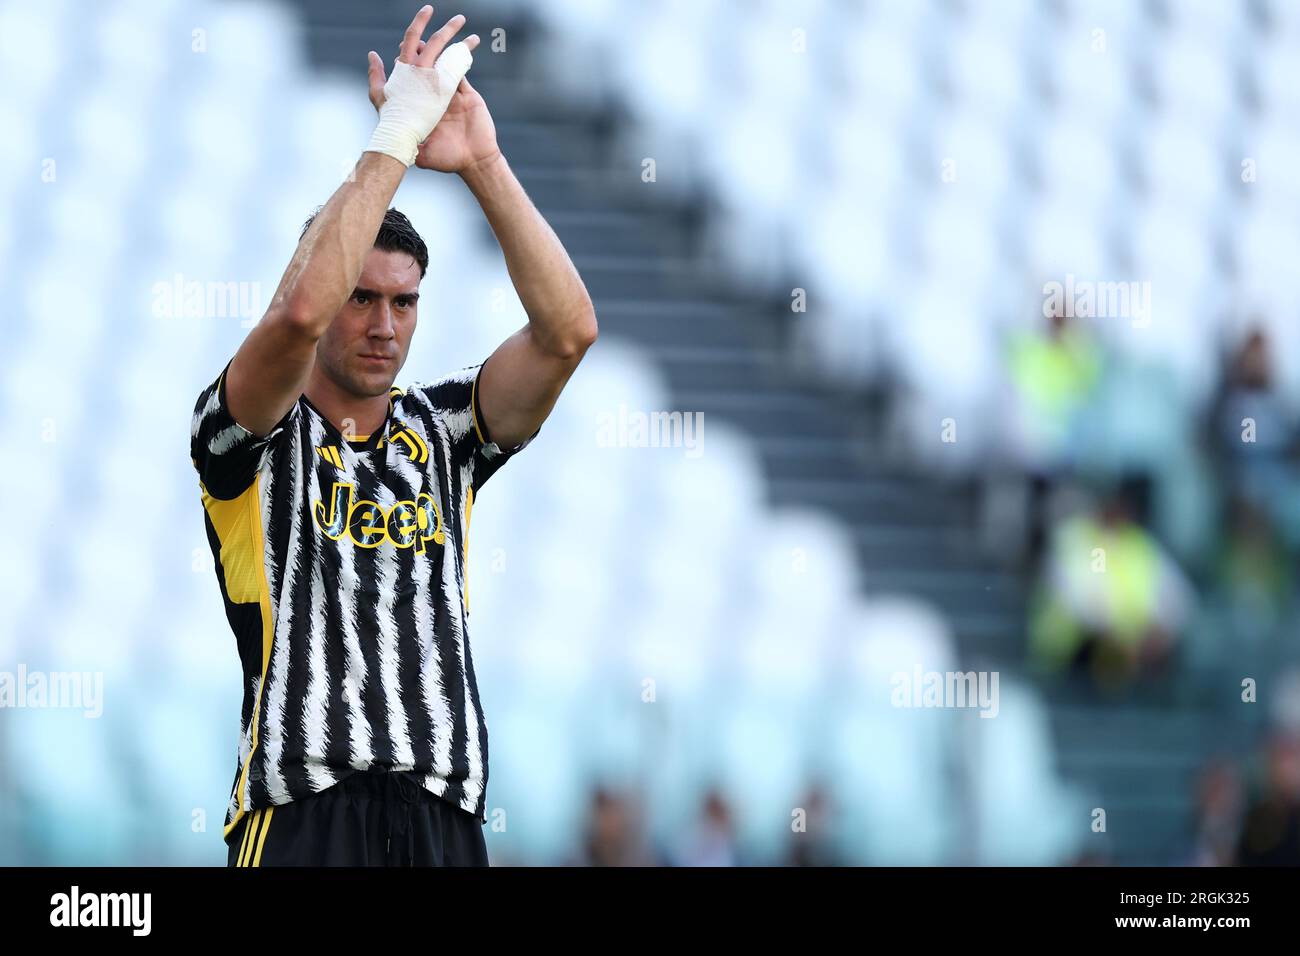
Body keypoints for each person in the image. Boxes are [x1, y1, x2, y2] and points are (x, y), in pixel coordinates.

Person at [191, 5, 597, 866]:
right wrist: (398, 135)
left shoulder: (445, 430)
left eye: (404, 302)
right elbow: (300, 312)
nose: (383, 325)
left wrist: (483, 162)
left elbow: (567, 334)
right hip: (304, 812)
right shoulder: (246, 435)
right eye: (362, 297)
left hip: (443, 813)